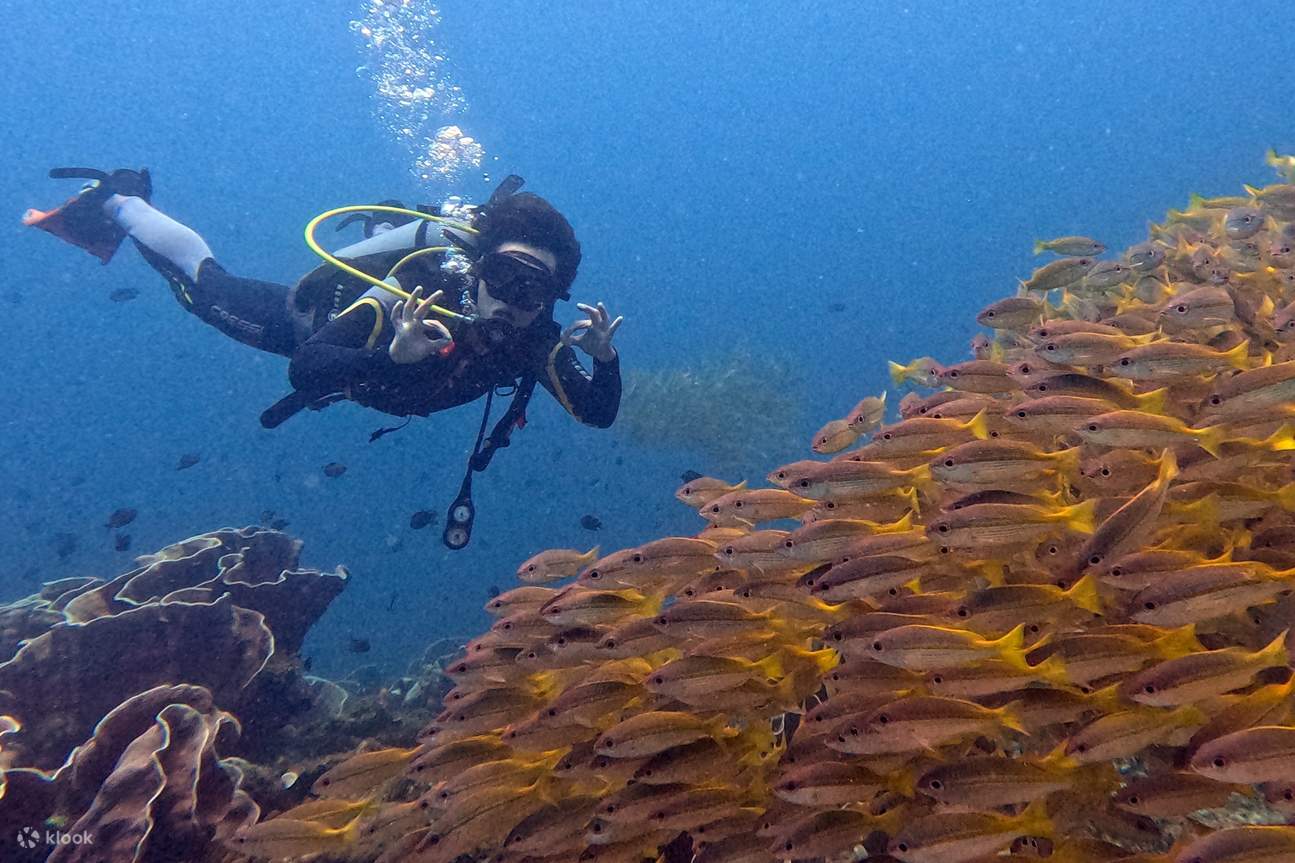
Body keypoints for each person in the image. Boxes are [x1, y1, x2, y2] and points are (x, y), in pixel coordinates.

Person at [26, 168, 624, 547]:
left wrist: (605, 358)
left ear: (551, 300)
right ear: (477, 268)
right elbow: (308, 367)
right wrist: (396, 357)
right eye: (502, 275)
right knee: (205, 290)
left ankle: (120, 204)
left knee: (206, 291)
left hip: (368, 372)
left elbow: (596, 412)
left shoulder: (536, 341)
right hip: (311, 322)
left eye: (534, 290)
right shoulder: (420, 291)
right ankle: (120, 201)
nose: (512, 301)